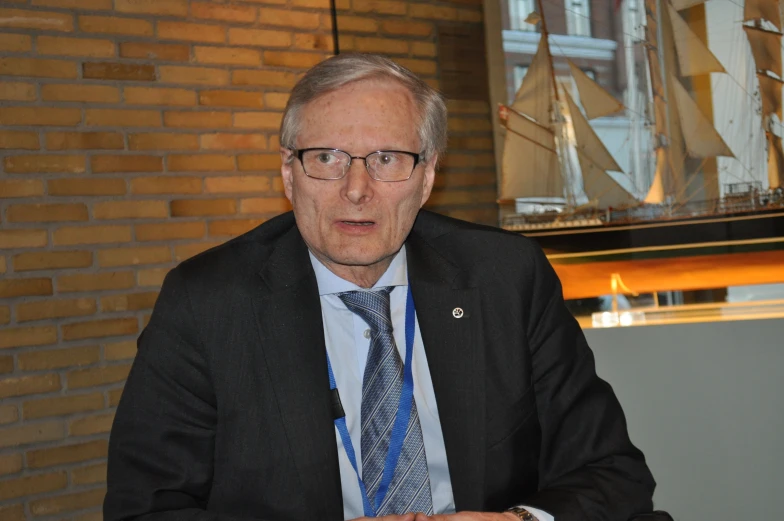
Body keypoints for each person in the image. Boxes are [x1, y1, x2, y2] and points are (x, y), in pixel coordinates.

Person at [105, 53, 655, 521]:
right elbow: (147, 506)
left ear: (428, 176)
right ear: (289, 174)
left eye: (387, 159)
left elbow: (611, 471)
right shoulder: (207, 303)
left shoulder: (504, 277)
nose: (357, 190)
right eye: (327, 158)